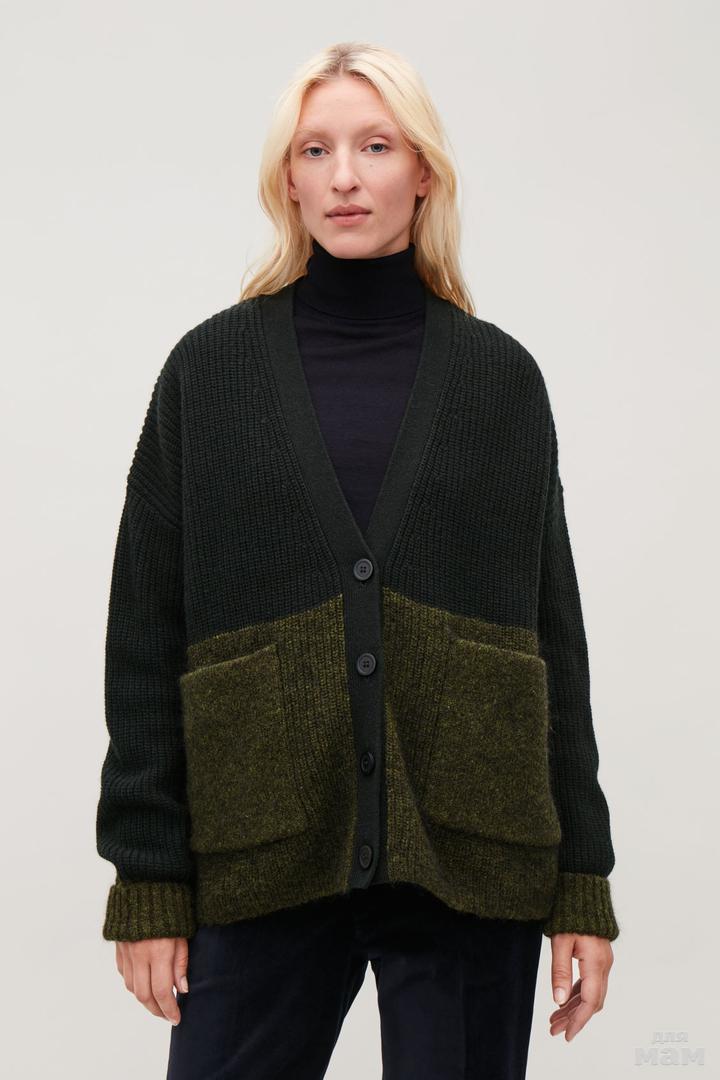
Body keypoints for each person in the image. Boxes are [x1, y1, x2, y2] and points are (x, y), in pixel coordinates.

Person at [96, 40, 619, 1080]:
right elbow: (145, 633)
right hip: (264, 847)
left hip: (469, 852)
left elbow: (551, 637)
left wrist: (582, 882)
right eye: (315, 150)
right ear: (286, 180)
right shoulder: (209, 374)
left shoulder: (500, 382)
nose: (344, 176)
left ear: (423, 171)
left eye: (376, 146)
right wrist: (148, 880)